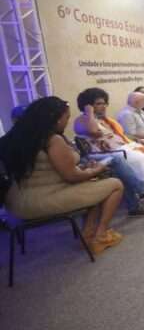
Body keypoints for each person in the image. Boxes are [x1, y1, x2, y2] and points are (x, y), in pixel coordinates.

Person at [0, 96, 124, 254]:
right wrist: (96, 169)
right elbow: (71, 176)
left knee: (94, 186)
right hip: (42, 200)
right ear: (56, 119)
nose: (67, 122)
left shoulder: (12, 139)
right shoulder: (52, 139)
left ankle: (88, 235)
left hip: (15, 203)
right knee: (115, 185)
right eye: (66, 118)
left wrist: (83, 170)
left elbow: (44, 170)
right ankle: (100, 235)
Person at [74, 88, 144, 183]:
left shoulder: (102, 119)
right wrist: (89, 112)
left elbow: (120, 133)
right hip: (110, 152)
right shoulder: (82, 119)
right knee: (142, 159)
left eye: (105, 103)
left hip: (123, 147)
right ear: (88, 106)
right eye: (99, 104)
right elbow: (94, 131)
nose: (104, 106)